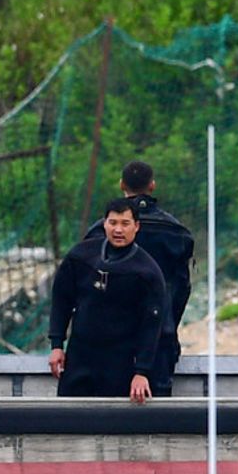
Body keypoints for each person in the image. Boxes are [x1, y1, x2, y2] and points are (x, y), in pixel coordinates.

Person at [83, 160, 194, 397]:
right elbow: (182, 290)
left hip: (108, 342)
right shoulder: (177, 233)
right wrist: (167, 325)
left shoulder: (98, 233)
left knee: (105, 415)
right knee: (156, 416)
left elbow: (84, 289)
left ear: (122, 184)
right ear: (152, 186)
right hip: (158, 341)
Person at [50, 197, 166, 403]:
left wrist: (142, 372)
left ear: (136, 227)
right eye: (113, 223)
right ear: (104, 223)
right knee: (68, 419)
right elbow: (61, 299)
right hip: (79, 356)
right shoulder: (81, 256)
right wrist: (57, 344)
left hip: (119, 361)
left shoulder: (147, 272)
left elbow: (152, 325)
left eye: (125, 223)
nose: (118, 230)